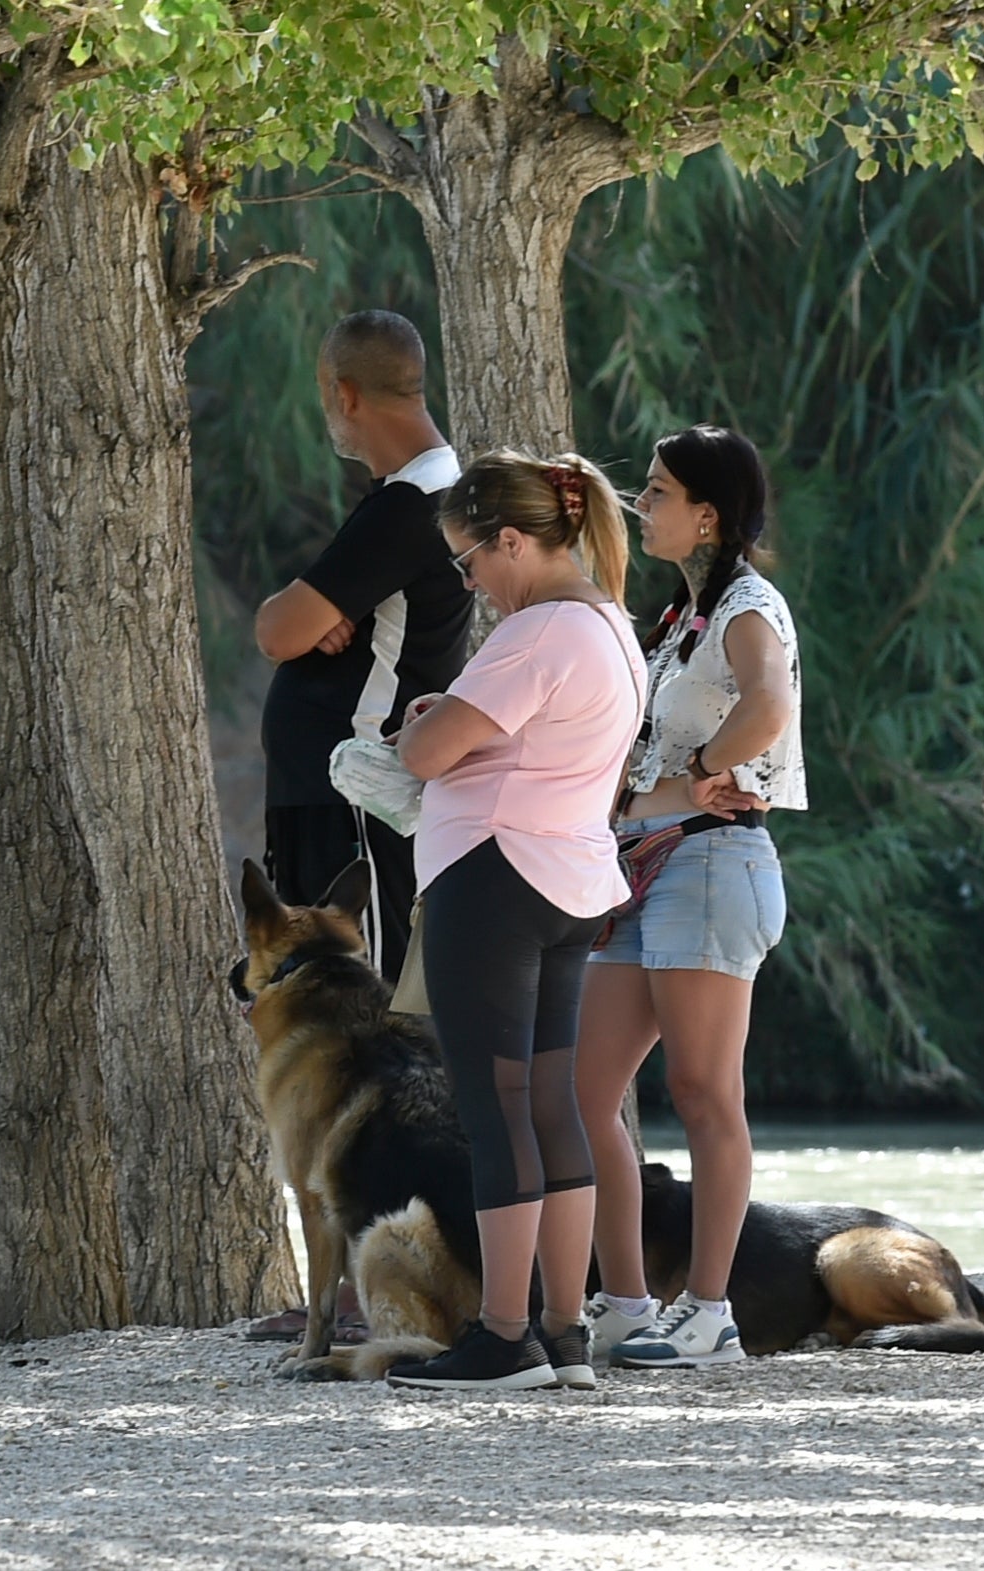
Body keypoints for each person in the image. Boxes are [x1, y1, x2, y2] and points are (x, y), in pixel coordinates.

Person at [381, 452, 646, 1392]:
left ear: (513, 541)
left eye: (470, 560)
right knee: (554, 1106)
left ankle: (502, 1334)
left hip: (492, 879)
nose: (470, 582)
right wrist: (450, 719)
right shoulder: (612, 629)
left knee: (493, 1115)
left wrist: (424, 723)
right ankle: (564, 1331)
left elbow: (429, 752)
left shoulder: (537, 632)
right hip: (569, 882)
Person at [574, 425, 804, 1370]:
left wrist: (710, 766)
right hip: (646, 866)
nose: (642, 502)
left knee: (705, 1092)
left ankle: (710, 1309)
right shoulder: (679, 620)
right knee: (583, 1091)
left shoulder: (749, 606)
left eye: (659, 491)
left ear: (706, 515)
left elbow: (769, 701)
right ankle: (625, 1301)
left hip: (714, 866)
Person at [254, 311, 469, 982]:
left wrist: (304, 612)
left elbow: (275, 631)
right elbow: (290, 621)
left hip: (356, 797)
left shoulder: (411, 507)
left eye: (326, 397)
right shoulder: (410, 497)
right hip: (329, 796)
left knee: (357, 1006)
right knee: (317, 1000)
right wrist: (309, 608)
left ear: (345, 394)